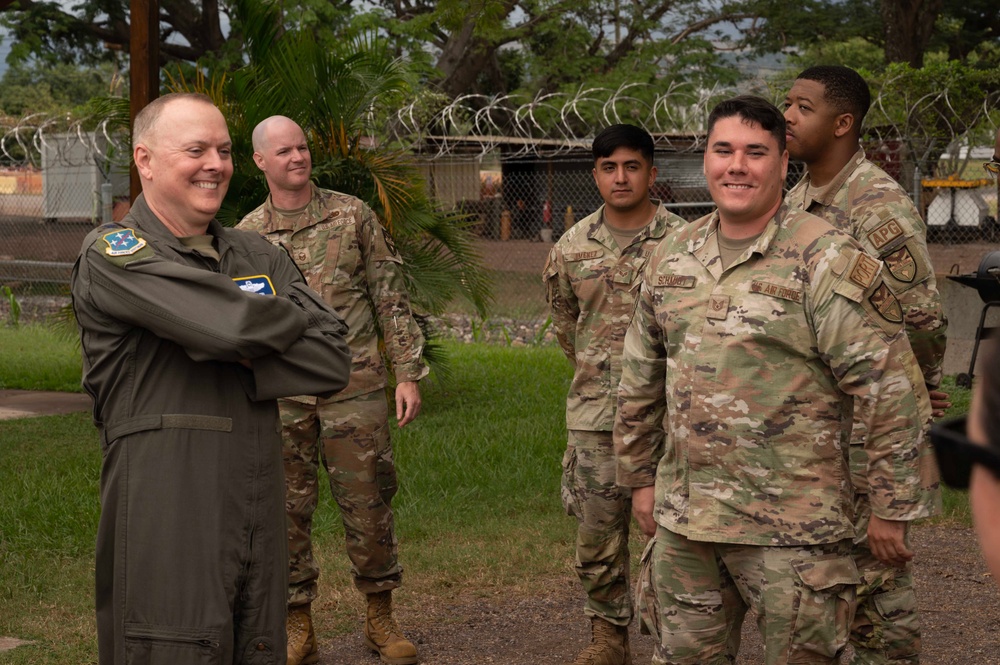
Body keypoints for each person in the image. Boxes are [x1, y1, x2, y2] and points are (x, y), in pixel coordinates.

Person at [614, 96, 939, 664]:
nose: (736, 166)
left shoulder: (826, 256)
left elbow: (887, 387)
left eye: (755, 152)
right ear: (706, 159)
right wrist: (641, 479)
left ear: (783, 163)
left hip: (792, 531)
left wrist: (890, 506)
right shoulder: (672, 252)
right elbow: (641, 377)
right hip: (687, 524)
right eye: (723, 150)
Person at [71, 93, 353, 665]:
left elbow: (330, 358)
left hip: (257, 505)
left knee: (259, 644)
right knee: (173, 647)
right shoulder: (113, 254)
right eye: (195, 149)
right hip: (170, 504)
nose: (215, 164)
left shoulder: (253, 251)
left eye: (223, 150)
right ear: (145, 160)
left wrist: (225, 335)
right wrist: (250, 329)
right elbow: (231, 329)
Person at [238, 115, 427, 665]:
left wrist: (407, 371)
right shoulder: (248, 237)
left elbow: (388, 292)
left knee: (368, 503)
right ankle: (298, 624)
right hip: (283, 394)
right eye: (284, 151)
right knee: (285, 512)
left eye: (303, 146)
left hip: (355, 383)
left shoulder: (353, 214)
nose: (297, 157)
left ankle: (379, 616)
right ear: (260, 162)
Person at [783, 65, 949, 665]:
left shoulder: (876, 208)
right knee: (823, 574)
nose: (788, 117)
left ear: (842, 123)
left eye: (802, 107)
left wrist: (921, 388)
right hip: (815, 422)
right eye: (787, 103)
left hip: (869, 421)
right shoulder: (797, 198)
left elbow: (923, 322)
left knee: (877, 583)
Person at [544, 123, 685, 665]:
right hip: (597, 416)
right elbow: (566, 326)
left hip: (674, 415)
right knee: (598, 539)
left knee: (675, 535)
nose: (620, 177)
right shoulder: (572, 247)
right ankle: (608, 637)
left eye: (631, 166)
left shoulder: (685, 240)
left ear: (651, 172)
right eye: (608, 167)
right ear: (596, 174)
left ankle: (678, 640)